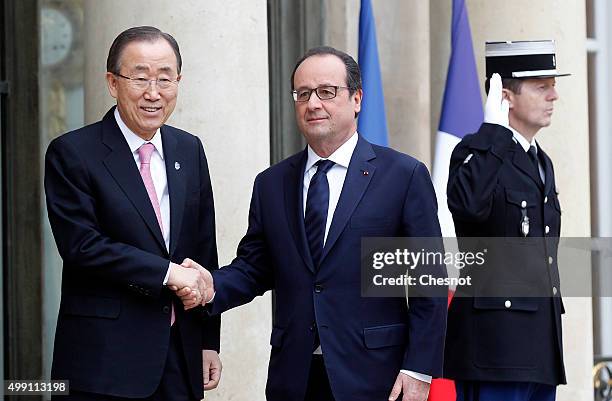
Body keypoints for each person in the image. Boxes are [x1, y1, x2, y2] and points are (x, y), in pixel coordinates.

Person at [179, 46, 447, 401]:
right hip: (296, 375)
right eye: (303, 94)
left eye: (326, 92)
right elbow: (255, 268)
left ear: (357, 99)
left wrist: (418, 369)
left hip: (376, 376)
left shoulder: (403, 175)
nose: (313, 103)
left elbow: (429, 280)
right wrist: (210, 285)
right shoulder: (271, 183)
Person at [45, 26, 220, 401]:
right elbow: (83, 246)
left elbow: (204, 248)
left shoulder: (189, 149)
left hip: (180, 355)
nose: (153, 93)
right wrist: (167, 273)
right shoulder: (72, 153)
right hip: (105, 362)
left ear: (178, 81)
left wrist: (208, 340)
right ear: (112, 82)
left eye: (164, 79)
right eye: (140, 78)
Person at [444, 40, 569, 401]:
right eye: (541, 86)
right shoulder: (476, 151)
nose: (553, 95)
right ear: (506, 95)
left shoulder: (540, 161)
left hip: (539, 349)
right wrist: (493, 133)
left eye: (553, 85)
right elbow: (468, 208)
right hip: (494, 350)